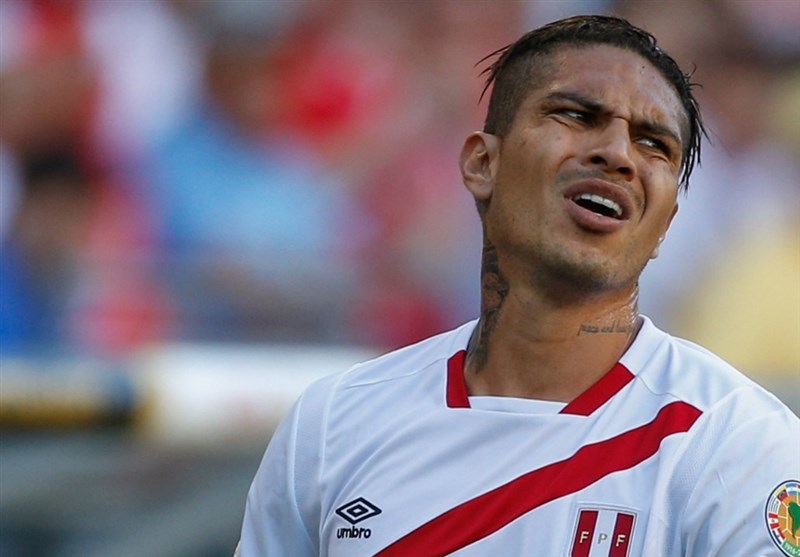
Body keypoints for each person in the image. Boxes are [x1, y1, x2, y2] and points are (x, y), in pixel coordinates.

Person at [235, 15, 800, 557]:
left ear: (666, 224)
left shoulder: (738, 446)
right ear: (483, 164)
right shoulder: (333, 425)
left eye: (654, 143)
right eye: (576, 115)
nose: (617, 154)